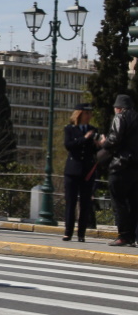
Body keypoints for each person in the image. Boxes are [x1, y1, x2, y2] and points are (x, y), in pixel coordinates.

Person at [96, 94, 138, 247]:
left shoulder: (120, 117)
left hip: (120, 166)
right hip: (134, 167)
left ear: (119, 108)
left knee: (118, 202)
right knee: (133, 203)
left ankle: (123, 236)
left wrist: (103, 143)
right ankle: (132, 236)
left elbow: (114, 139)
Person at [62, 103, 98, 242]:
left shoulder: (93, 130)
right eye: (86, 113)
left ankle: (81, 233)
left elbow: (94, 152)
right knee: (70, 202)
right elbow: (69, 145)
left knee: (85, 203)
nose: (89, 116)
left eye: (90, 114)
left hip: (87, 171)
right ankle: (68, 232)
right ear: (79, 114)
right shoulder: (70, 129)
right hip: (72, 170)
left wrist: (98, 144)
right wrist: (85, 138)